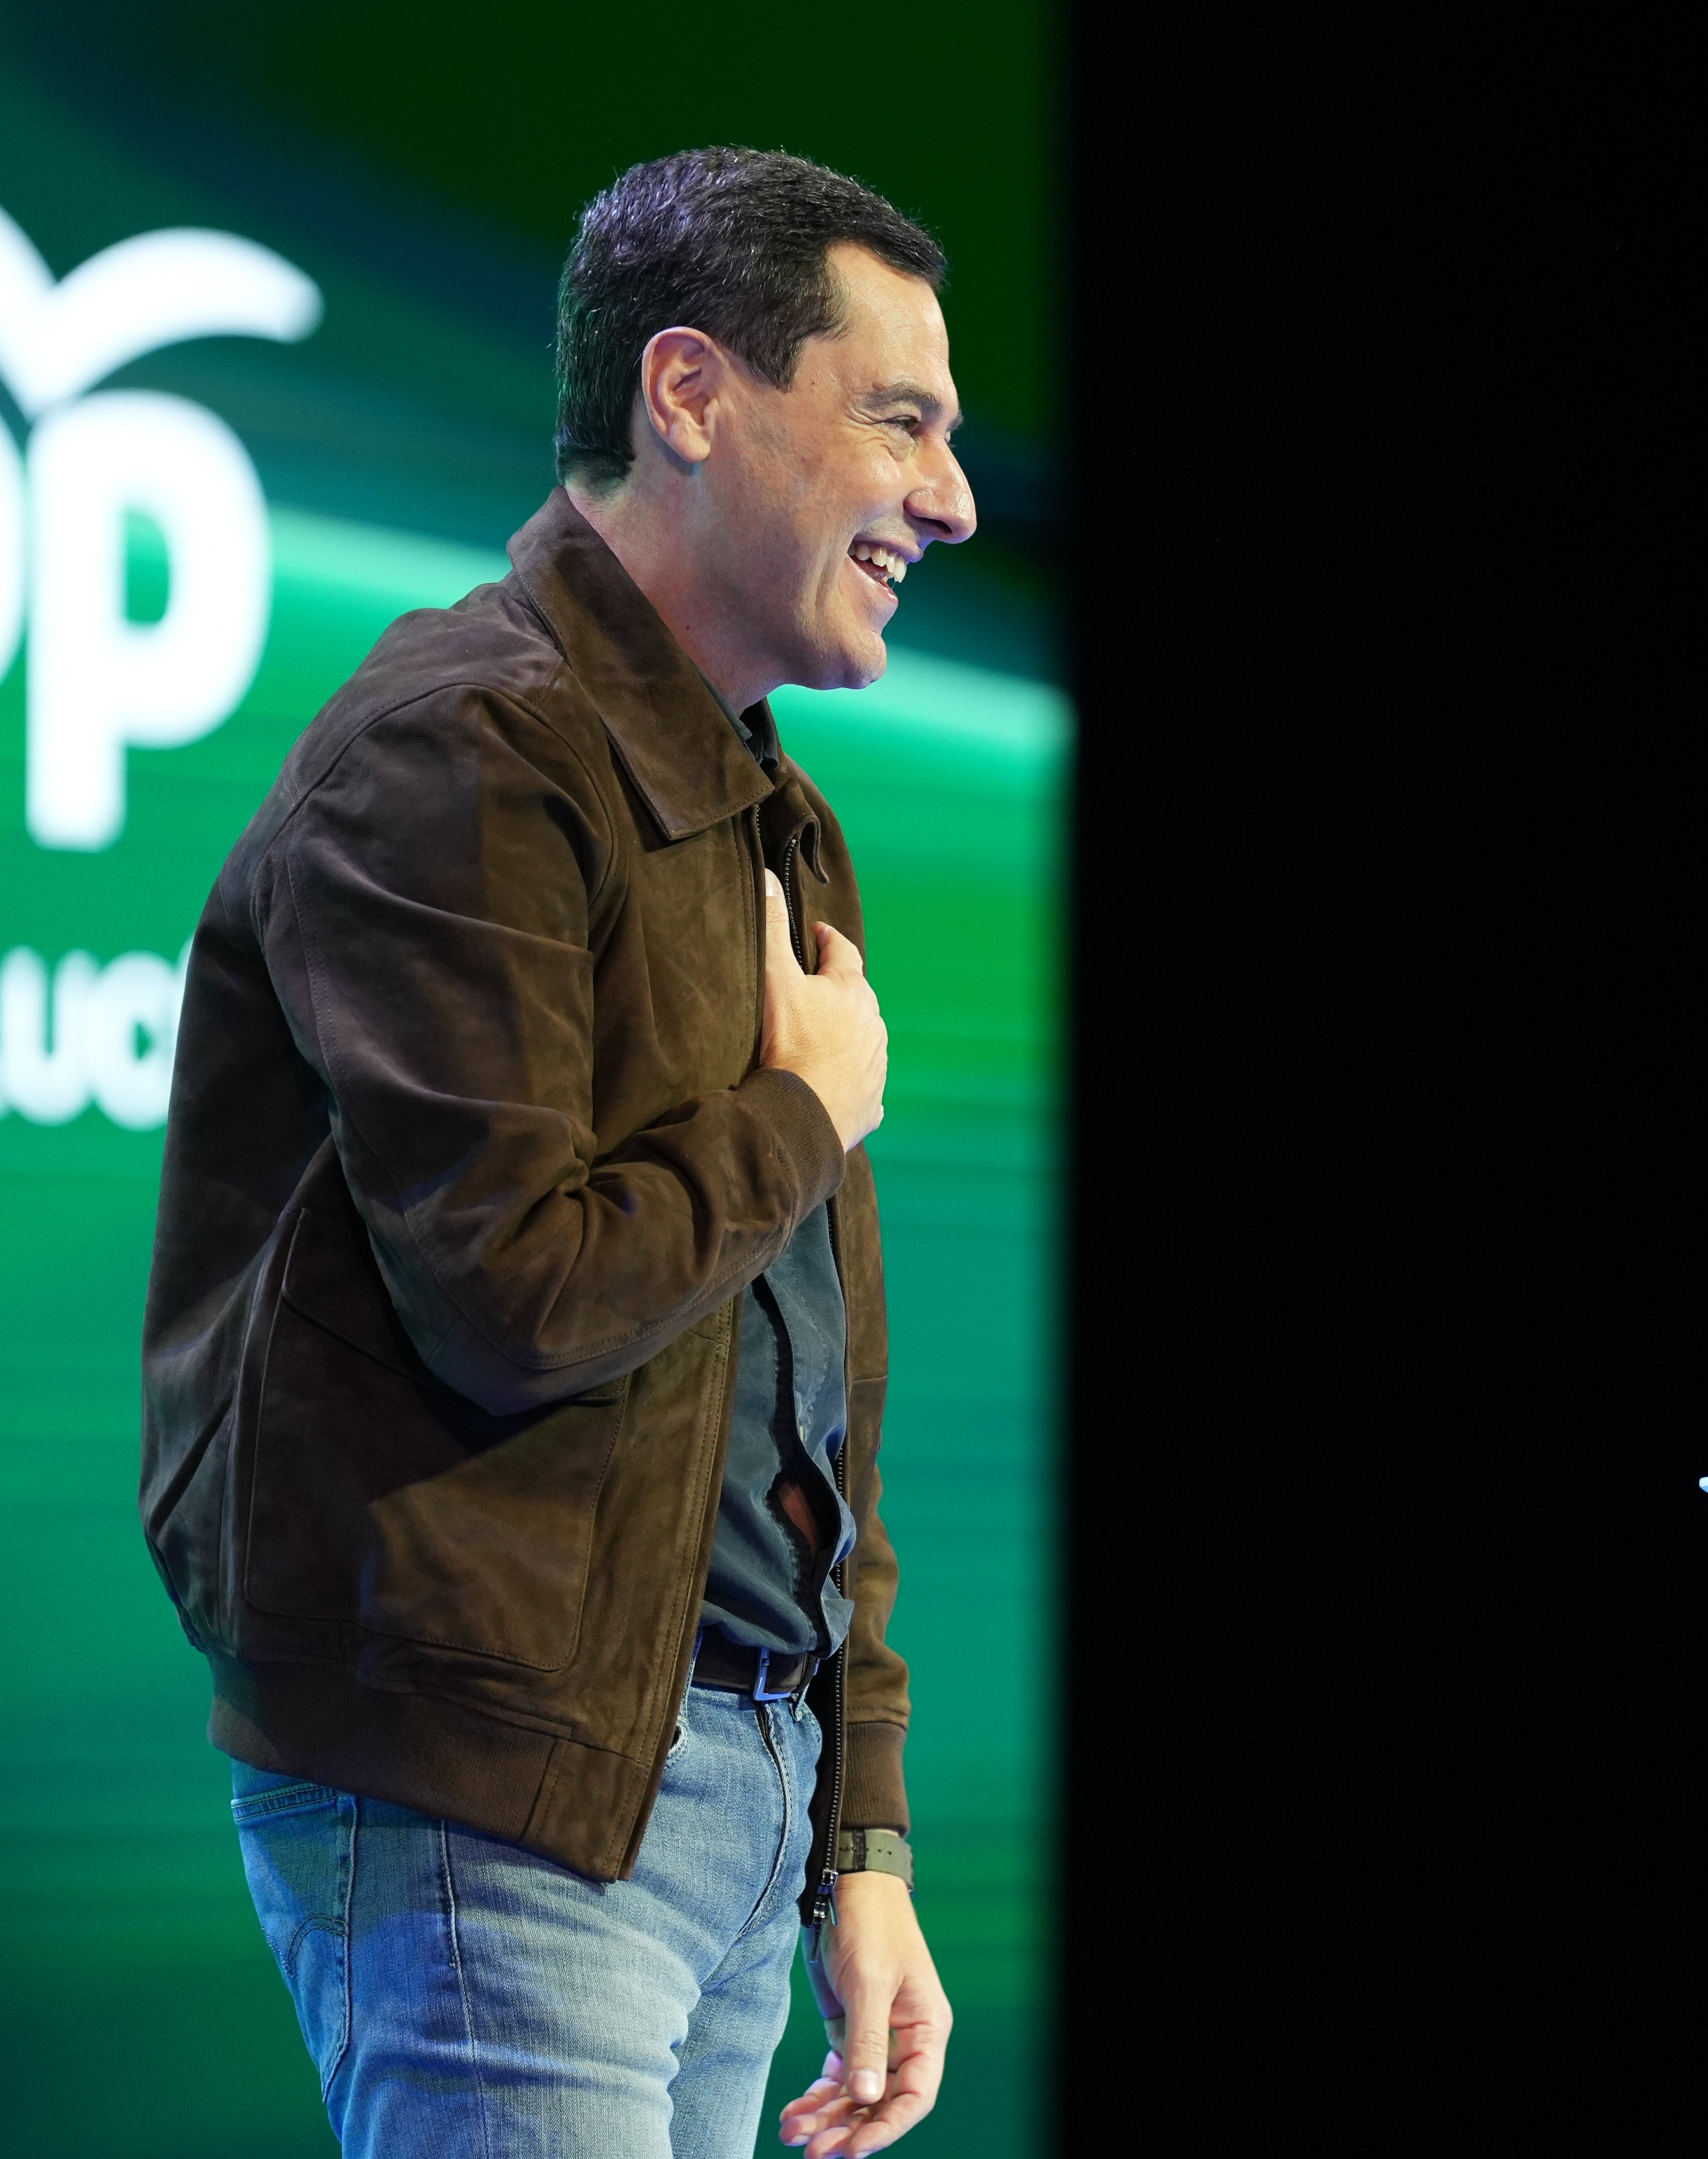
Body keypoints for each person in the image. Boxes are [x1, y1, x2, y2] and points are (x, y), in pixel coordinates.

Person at [139, 146, 975, 2158]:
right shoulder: (458, 749)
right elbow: (517, 1295)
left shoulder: (773, 816)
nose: (950, 499)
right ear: (689, 394)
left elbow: (807, 1395)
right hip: (498, 1804)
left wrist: (859, 1834)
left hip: (728, 1798)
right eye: (900, 421)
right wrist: (800, 1108)